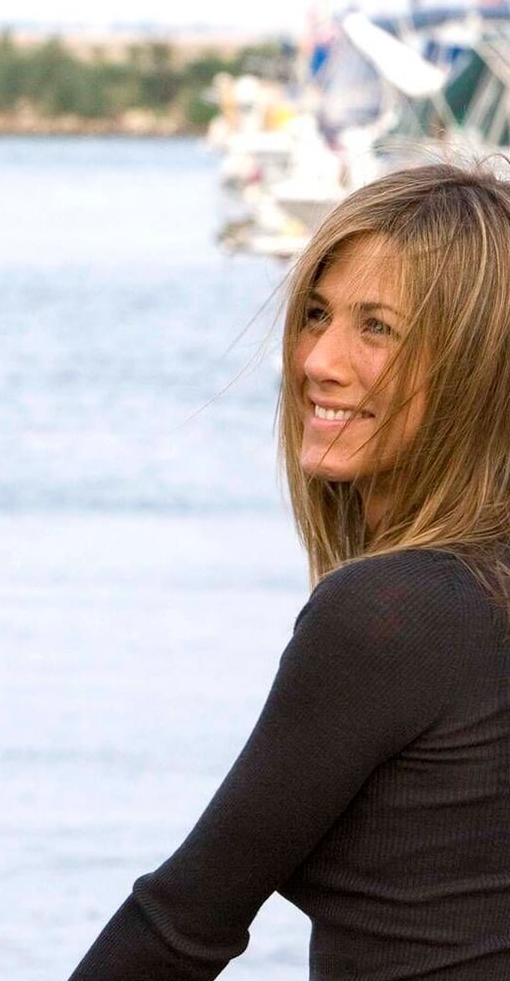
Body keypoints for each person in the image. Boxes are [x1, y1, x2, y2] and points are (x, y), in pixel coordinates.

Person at [68, 162, 510, 980]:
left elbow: (180, 925)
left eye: (377, 328)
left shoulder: (394, 615)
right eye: (316, 314)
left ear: (474, 363)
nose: (318, 361)